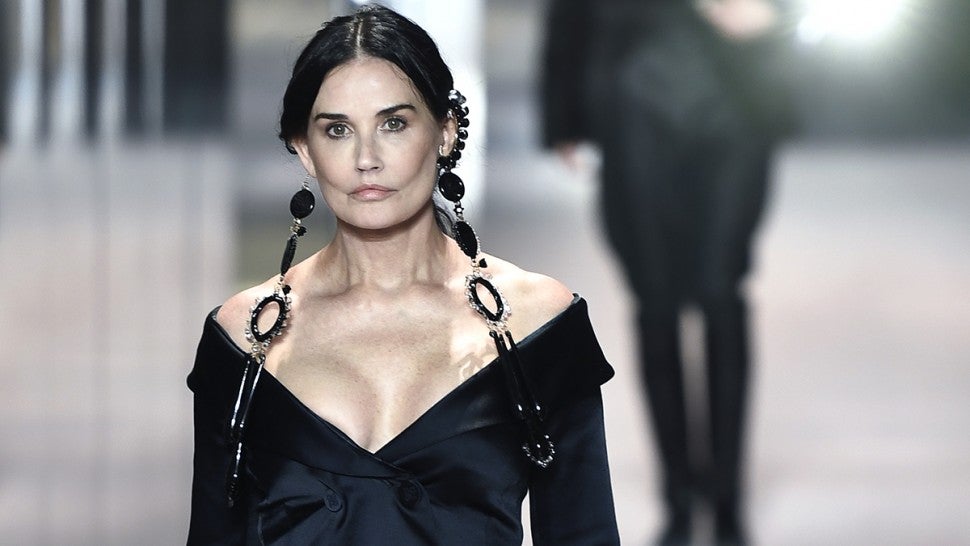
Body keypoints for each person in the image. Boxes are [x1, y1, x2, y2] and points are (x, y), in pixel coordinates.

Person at [186, 5, 620, 544]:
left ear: (445, 132)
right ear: (305, 150)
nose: (366, 158)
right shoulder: (243, 338)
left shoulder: (536, 325)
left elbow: (585, 533)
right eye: (338, 130)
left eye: (393, 124)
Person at [541, 1, 791, 545]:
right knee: (655, 302)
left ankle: (725, 502)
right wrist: (562, 110)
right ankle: (679, 501)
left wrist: (774, 20)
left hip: (737, 97)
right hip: (635, 94)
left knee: (721, 294)